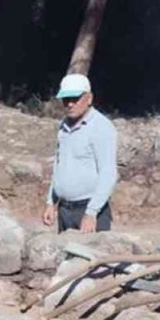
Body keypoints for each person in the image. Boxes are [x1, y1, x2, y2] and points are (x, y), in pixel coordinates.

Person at [43, 73, 119, 233]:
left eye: (75, 99)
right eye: (66, 99)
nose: (70, 104)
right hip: (64, 210)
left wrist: (91, 213)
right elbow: (59, 165)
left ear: (89, 98)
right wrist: (51, 201)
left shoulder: (101, 128)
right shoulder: (63, 127)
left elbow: (108, 173)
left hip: (89, 211)